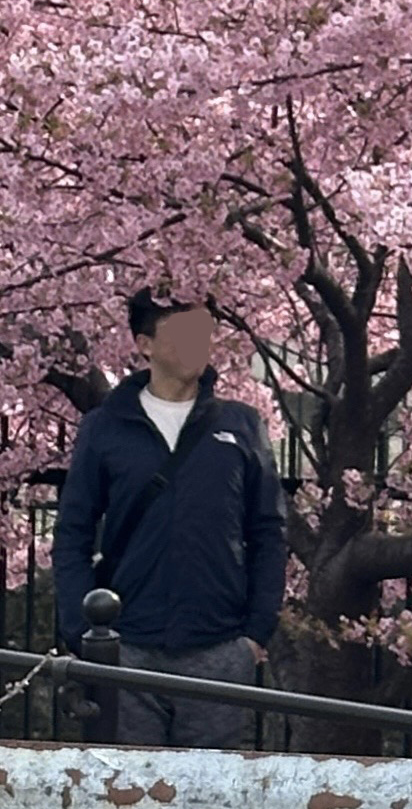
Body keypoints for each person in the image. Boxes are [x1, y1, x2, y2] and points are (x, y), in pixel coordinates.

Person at [51, 294, 286, 748]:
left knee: (209, 786)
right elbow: (72, 532)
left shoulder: (240, 424)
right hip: (127, 644)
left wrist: (256, 633)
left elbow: (268, 531)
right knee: (128, 782)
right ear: (146, 344)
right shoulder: (106, 426)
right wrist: (81, 632)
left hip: (219, 645)